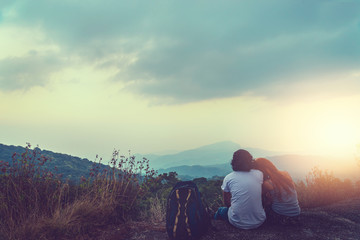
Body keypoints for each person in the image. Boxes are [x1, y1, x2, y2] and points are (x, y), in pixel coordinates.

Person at [214, 149, 266, 229]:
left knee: (221, 210)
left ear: (233, 162)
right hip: (259, 220)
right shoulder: (259, 174)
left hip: (237, 222)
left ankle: (214, 229)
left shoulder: (229, 178)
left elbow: (227, 203)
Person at [253, 158, 300, 223]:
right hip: (296, 215)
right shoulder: (286, 174)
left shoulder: (267, 183)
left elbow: (257, 195)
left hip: (281, 217)